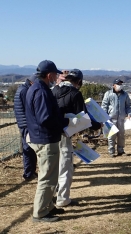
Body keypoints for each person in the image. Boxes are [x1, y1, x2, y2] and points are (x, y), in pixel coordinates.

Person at [25, 60, 69, 222]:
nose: (56, 76)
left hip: (40, 137)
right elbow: (45, 119)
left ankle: (48, 206)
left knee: (50, 175)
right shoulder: (42, 92)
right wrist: (64, 123)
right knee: (47, 177)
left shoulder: (35, 88)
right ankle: (40, 212)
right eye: (55, 74)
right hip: (45, 139)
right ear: (49, 75)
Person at [52, 69, 102, 207]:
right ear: (79, 81)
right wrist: (97, 125)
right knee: (65, 167)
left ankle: (50, 196)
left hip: (50, 135)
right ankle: (63, 198)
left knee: (52, 167)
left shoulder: (53, 91)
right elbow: (84, 118)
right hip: (65, 133)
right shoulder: (75, 94)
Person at [13, 74, 37, 181]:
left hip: (24, 123)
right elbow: (28, 108)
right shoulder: (24, 91)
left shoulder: (23, 89)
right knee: (27, 148)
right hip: (26, 124)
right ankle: (28, 173)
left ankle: (31, 171)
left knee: (29, 148)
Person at [101, 79, 131, 157]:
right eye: (118, 84)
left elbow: (128, 106)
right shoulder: (108, 94)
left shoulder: (125, 94)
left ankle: (121, 150)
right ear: (113, 85)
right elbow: (104, 105)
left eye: (121, 84)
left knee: (121, 135)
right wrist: (104, 116)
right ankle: (111, 151)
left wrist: (129, 113)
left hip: (121, 119)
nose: (120, 85)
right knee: (111, 135)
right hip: (111, 118)